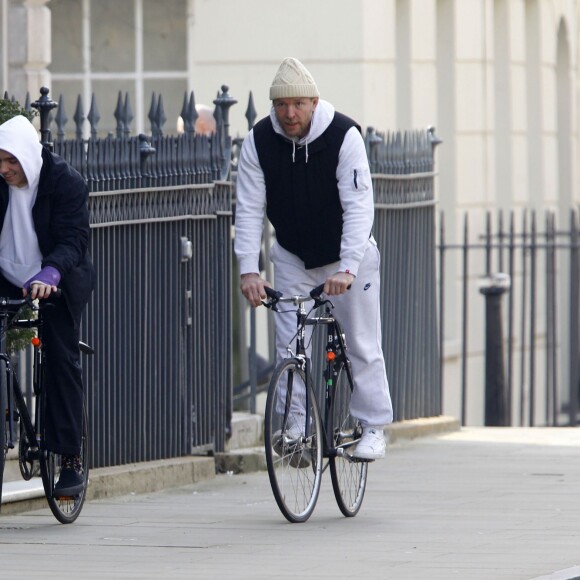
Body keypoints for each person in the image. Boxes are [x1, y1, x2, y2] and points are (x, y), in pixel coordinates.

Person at [235, 57, 393, 459]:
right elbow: (249, 206)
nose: (290, 114)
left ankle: (373, 425)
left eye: (299, 104)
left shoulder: (343, 136)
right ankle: (294, 426)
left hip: (346, 255)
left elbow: (359, 207)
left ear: (314, 102)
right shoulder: (258, 141)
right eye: (282, 105)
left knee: (360, 342)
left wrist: (348, 267)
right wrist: (249, 270)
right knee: (290, 344)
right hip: (292, 254)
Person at [0, 114, 96, 495]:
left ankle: (70, 457)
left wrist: (51, 273)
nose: (4, 169)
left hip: (56, 277)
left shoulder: (64, 181)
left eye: (11, 161)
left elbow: (74, 239)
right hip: (7, 271)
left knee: (60, 356)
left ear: (26, 156)